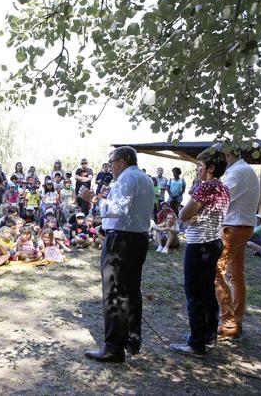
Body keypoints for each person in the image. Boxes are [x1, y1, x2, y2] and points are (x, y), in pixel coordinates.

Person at [79, 146, 153, 363]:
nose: (110, 166)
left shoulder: (127, 178)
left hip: (121, 239)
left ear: (123, 160)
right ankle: (132, 339)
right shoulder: (145, 178)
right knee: (132, 290)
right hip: (138, 238)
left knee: (114, 291)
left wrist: (95, 200)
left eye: (112, 161)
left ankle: (113, 347)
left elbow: (118, 210)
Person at [169, 148, 230, 357]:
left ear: (210, 168)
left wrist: (188, 214)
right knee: (207, 292)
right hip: (214, 242)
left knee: (194, 294)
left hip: (200, 245)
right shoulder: (223, 187)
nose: (197, 170)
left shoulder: (205, 187)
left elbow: (184, 213)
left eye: (200, 166)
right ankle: (208, 336)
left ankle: (196, 344)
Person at [214, 143, 260, 340]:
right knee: (235, 275)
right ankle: (235, 322)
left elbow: (219, 201)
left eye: (218, 156)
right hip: (242, 226)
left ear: (227, 154)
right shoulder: (244, 169)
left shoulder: (237, 172)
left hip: (234, 227)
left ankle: (229, 323)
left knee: (217, 273)